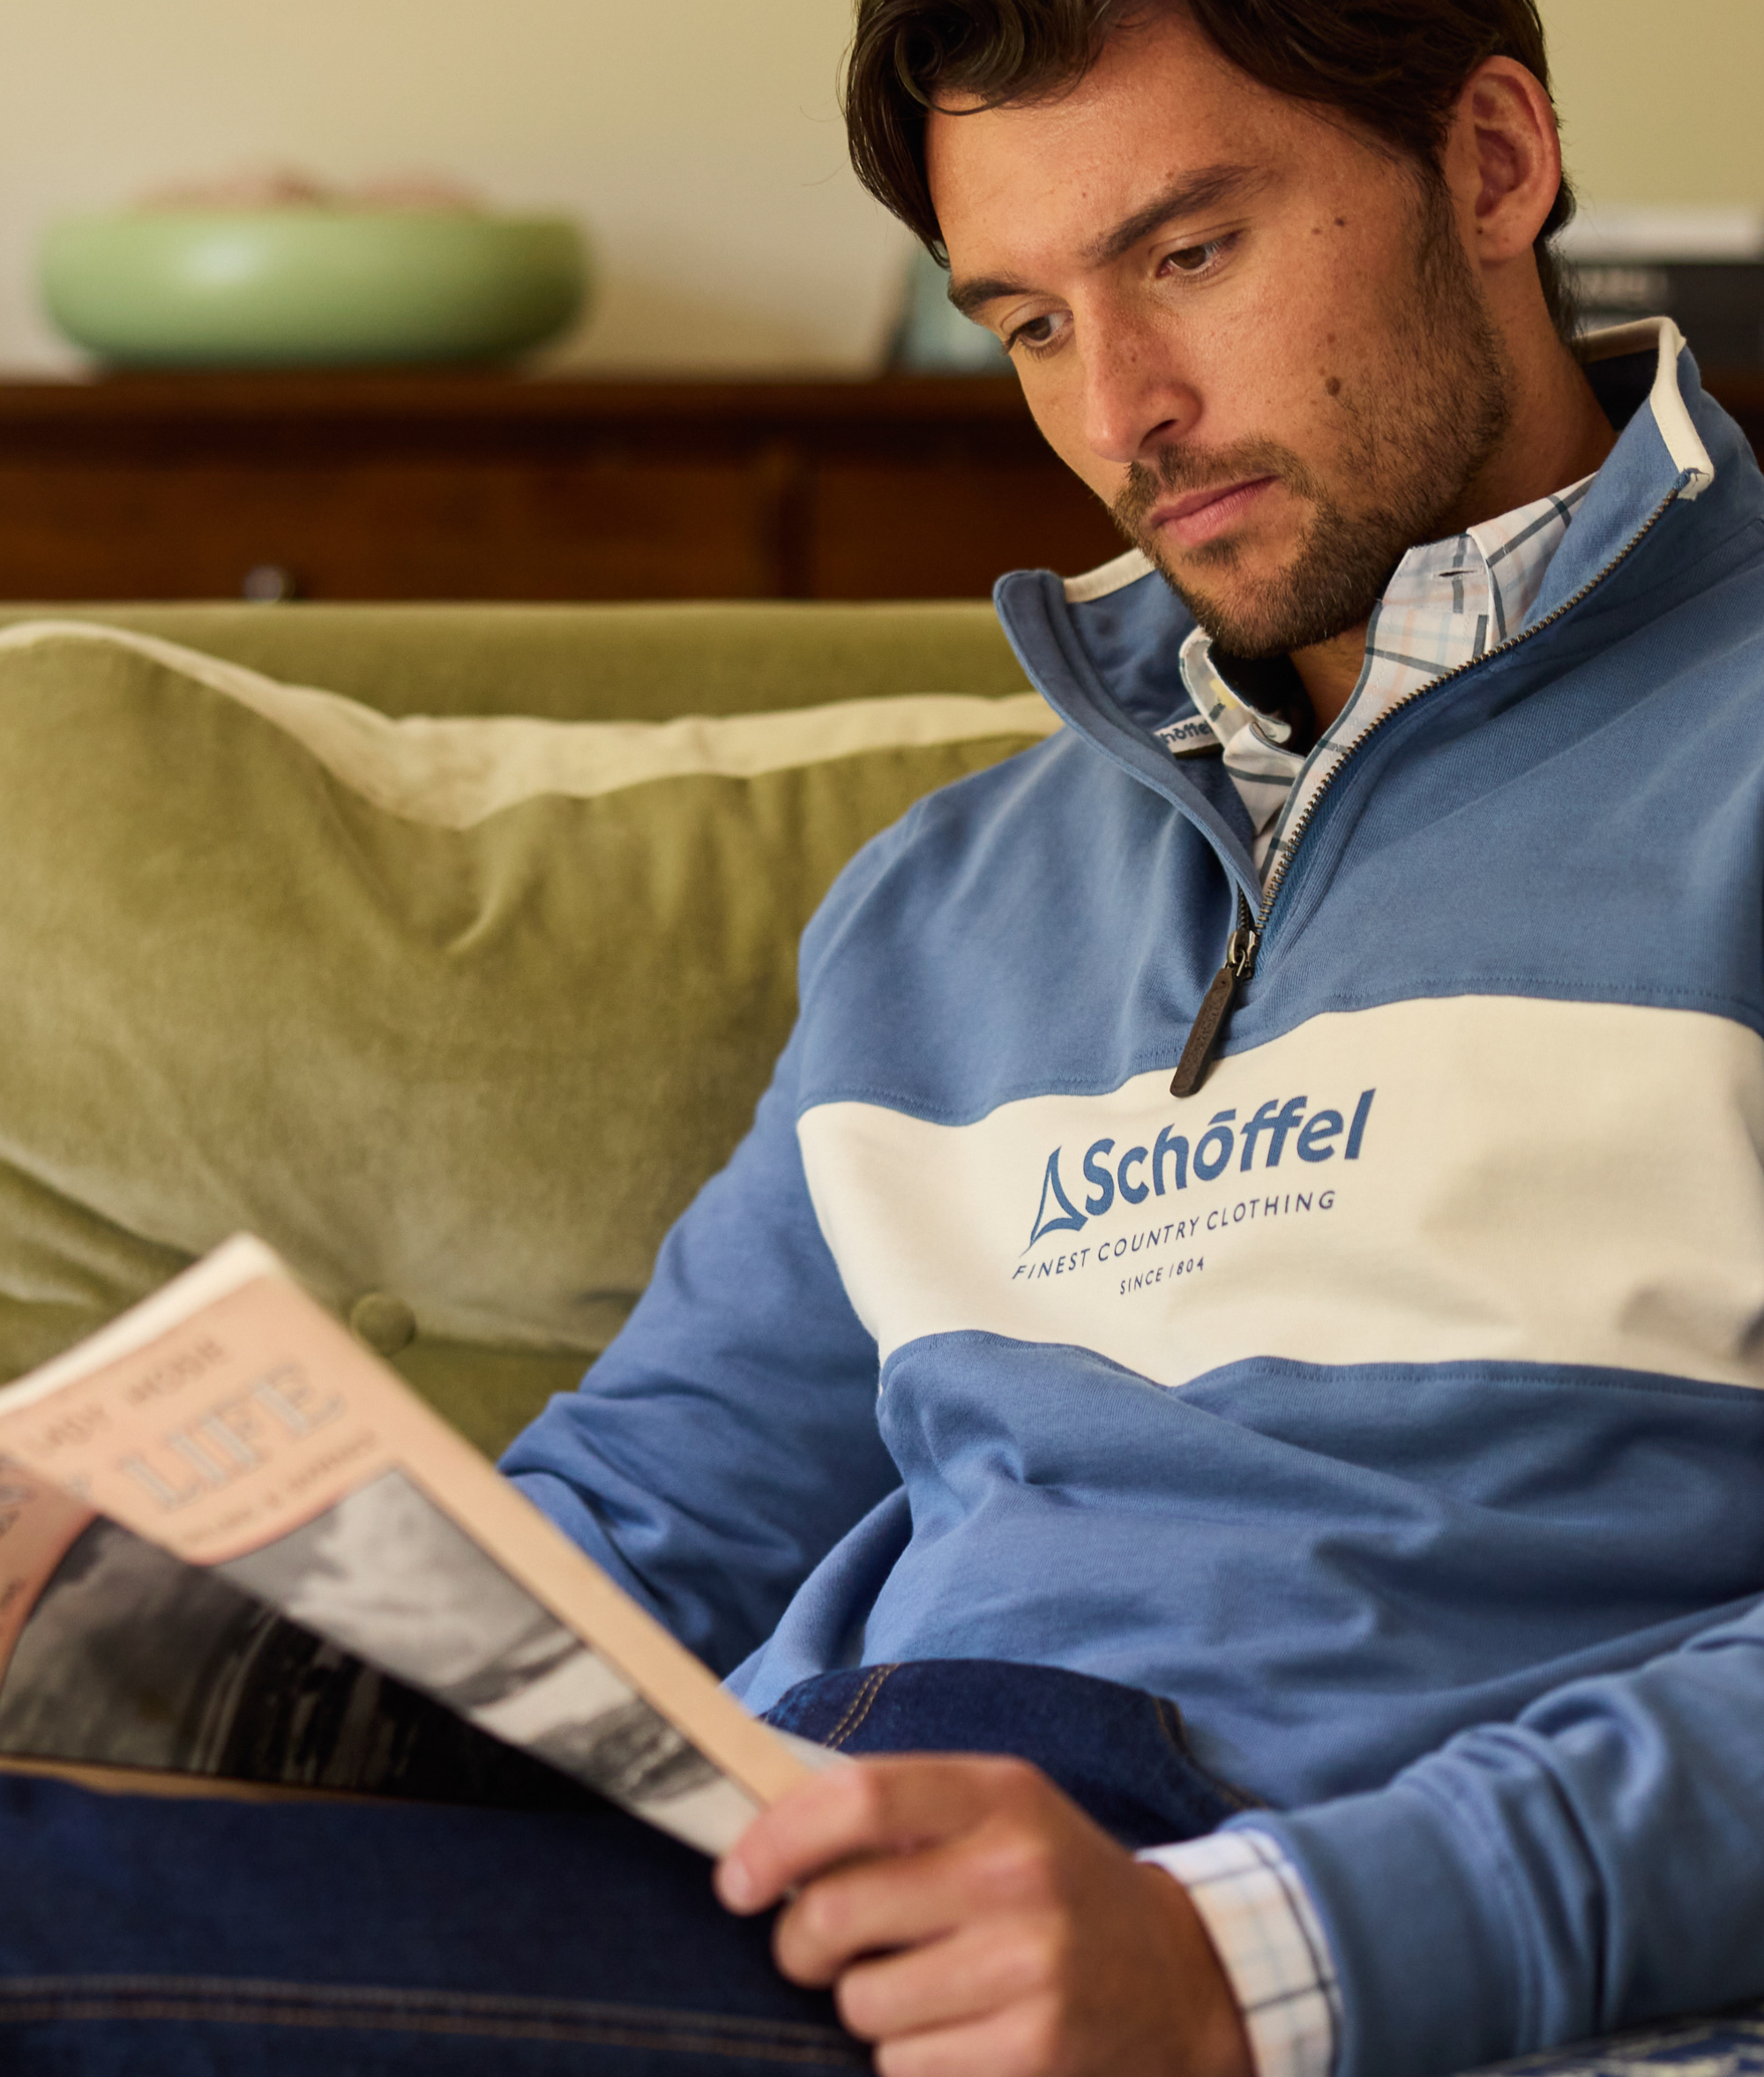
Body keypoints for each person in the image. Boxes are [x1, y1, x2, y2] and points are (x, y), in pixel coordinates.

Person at [4, 3, 1764, 2074]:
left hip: (1312, 1947)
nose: (1125, 414)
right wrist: (171, 1605)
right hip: (798, 1875)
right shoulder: (952, 893)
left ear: (1490, 162)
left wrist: (1258, 1961)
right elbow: (657, 1517)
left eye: (1187, 254)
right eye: (1024, 322)